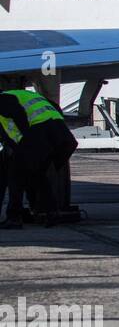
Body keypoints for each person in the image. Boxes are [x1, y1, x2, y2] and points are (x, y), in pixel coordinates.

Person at [0, 88, 79, 228]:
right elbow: (55, 107)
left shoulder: (3, 99)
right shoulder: (24, 94)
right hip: (61, 137)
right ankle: (51, 212)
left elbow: (18, 114)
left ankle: (14, 218)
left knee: (15, 176)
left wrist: (26, 138)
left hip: (39, 135)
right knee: (37, 175)